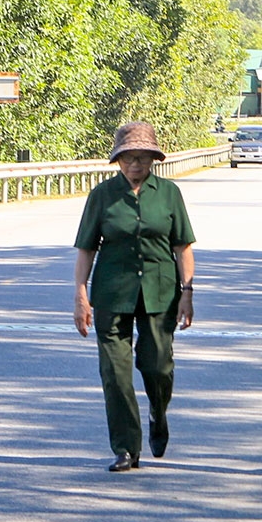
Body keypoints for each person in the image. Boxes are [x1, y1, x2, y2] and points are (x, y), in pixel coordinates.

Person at [72, 122, 197, 472]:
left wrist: (187, 291)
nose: (135, 165)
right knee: (115, 372)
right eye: (128, 159)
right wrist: (80, 294)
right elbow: (85, 249)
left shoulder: (169, 193)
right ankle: (127, 447)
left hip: (160, 291)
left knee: (157, 365)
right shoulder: (102, 196)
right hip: (112, 292)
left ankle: (159, 411)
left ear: (154, 160)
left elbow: (182, 246)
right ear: (118, 160)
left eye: (142, 158)